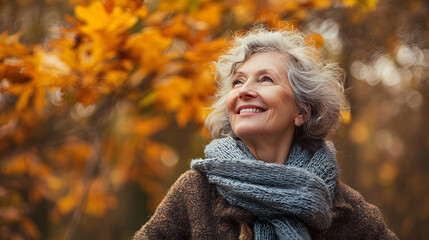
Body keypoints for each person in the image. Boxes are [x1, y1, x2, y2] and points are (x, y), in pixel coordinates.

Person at [133, 27, 398, 240]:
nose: (243, 90)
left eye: (265, 79)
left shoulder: (342, 206)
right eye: (238, 81)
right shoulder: (197, 190)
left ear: (302, 111)